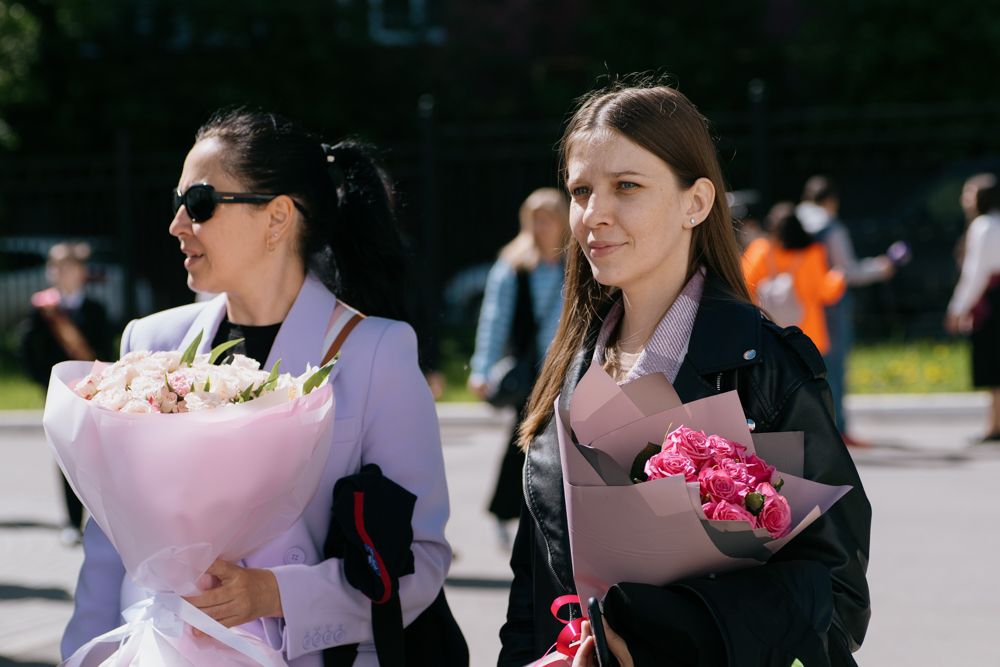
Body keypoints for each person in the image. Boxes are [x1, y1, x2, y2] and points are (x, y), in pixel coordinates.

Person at [61, 109, 457, 667]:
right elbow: (108, 546)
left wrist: (274, 594)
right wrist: (83, 655)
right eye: (176, 201)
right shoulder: (149, 342)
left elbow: (420, 557)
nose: (177, 223)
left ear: (277, 217)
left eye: (199, 202)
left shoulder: (377, 352)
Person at [498, 83, 871, 667]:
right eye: (580, 191)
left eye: (626, 186)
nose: (593, 214)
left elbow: (838, 597)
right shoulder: (566, 372)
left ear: (695, 202)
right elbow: (530, 598)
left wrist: (669, 637)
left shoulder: (764, 367)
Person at [467, 188, 568, 544]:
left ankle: (555, 515)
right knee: (524, 443)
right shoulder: (512, 266)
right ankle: (506, 511)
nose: (542, 226)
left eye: (549, 218)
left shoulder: (577, 263)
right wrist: (482, 368)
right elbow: (493, 320)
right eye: (536, 219)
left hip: (568, 369)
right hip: (531, 375)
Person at [21, 241, 112, 546]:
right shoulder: (43, 309)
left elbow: (104, 351)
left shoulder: (96, 310)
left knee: (95, 457)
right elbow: (27, 349)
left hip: (92, 393)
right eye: (55, 266)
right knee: (65, 457)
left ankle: (100, 521)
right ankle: (72, 522)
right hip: (59, 393)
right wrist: (43, 380)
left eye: (67, 266)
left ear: (81, 272)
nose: (59, 272)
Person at [796, 176, 894, 446]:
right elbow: (845, 271)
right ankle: (837, 427)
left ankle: (806, 427)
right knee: (834, 368)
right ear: (831, 201)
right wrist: (879, 268)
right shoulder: (830, 226)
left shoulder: (793, 219)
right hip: (830, 302)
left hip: (797, 303)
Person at [742, 202, 846, 355]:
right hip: (807, 335)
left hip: (769, 334)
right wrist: (837, 278)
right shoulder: (811, 254)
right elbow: (825, 293)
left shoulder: (760, 250)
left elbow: (743, 287)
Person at [946, 173, 1000, 443]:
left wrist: (957, 308)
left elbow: (975, 273)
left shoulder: (983, 226)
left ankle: (995, 425)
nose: (964, 199)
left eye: (969, 193)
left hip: (992, 301)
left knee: (993, 364)